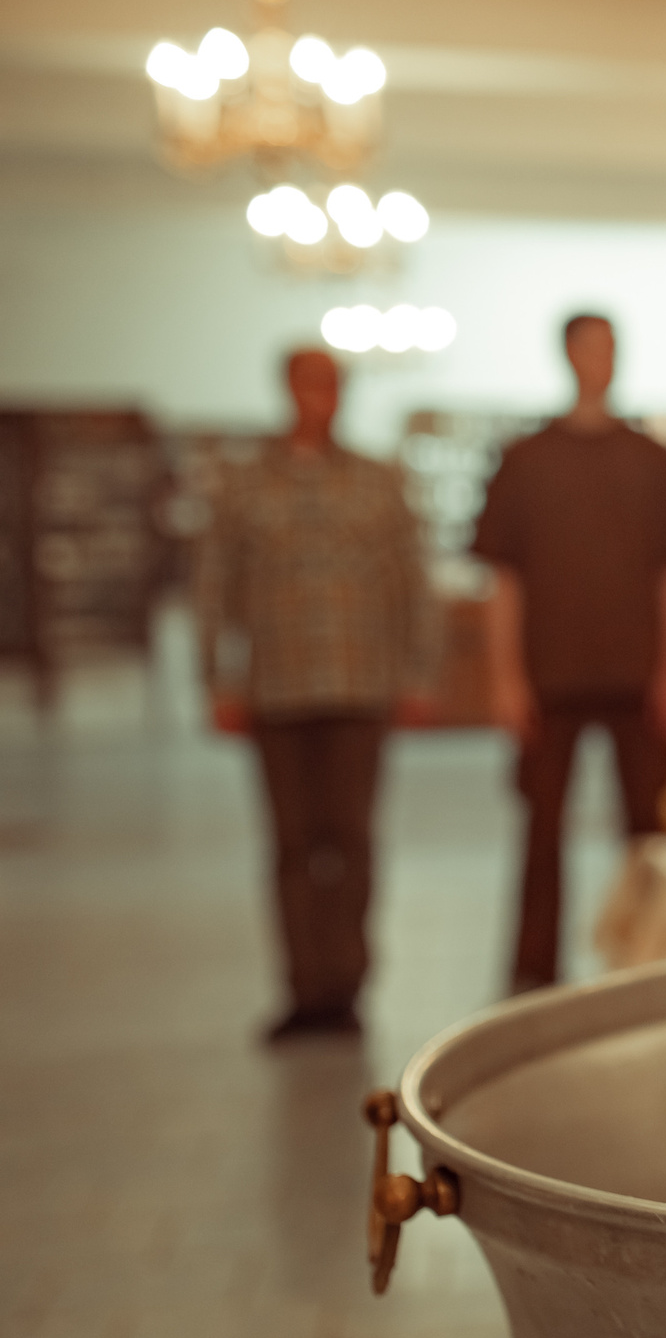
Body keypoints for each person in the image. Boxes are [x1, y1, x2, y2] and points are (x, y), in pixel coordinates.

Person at [195, 347, 437, 1040]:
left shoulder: (377, 481)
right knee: (294, 844)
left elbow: (411, 580)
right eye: (306, 384)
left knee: (351, 839)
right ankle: (304, 987)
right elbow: (215, 582)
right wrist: (217, 676)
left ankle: (348, 984)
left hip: (359, 686)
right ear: (287, 390)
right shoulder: (245, 483)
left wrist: (419, 671)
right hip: (279, 688)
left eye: (329, 385)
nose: (317, 398)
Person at [472, 313, 666, 993]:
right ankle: (533, 970)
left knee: (648, 832)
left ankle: (651, 956)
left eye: (609, 348)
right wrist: (506, 677)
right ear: (568, 356)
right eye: (588, 348)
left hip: (636, 675)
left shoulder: (651, 460)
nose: (599, 360)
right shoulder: (526, 460)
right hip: (551, 675)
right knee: (542, 830)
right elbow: (504, 580)